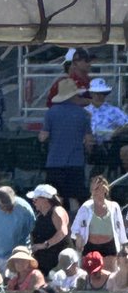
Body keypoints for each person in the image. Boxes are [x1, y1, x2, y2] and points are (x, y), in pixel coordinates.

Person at [39, 78, 93, 211]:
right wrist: (90, 152)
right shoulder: (84, 114)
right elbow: (89, 141)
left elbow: (43, 137)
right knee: (76, 198)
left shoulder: (50, 113)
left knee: (55, 199)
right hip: (76, 162)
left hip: (54, 163)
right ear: (74, 95)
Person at [70, 175, 127, 271]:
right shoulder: (85, 207)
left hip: (109, 246)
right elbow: (75, 228)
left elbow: (120, 228)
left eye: (97, 188)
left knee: (109, 274)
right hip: (90, 247)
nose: (94, 192)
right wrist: (78, 237)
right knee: (89, 274)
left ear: (104, 189)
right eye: (92, 189)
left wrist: (124, 246)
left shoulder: (114, 207)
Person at [0, 186, 35, 268]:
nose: (8, 211)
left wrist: (30, 254)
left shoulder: (25, 209)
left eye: (11, 206)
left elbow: (31, 232)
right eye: (4, 207)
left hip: (18, 256)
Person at [27, 184, 70, 275]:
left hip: (58, 263)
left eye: (36, 199)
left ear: (45, 199)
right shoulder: (39, 216)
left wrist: (43, 245)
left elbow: (62, 232)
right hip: (43, 263)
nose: (33, 202)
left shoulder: (57, 211)